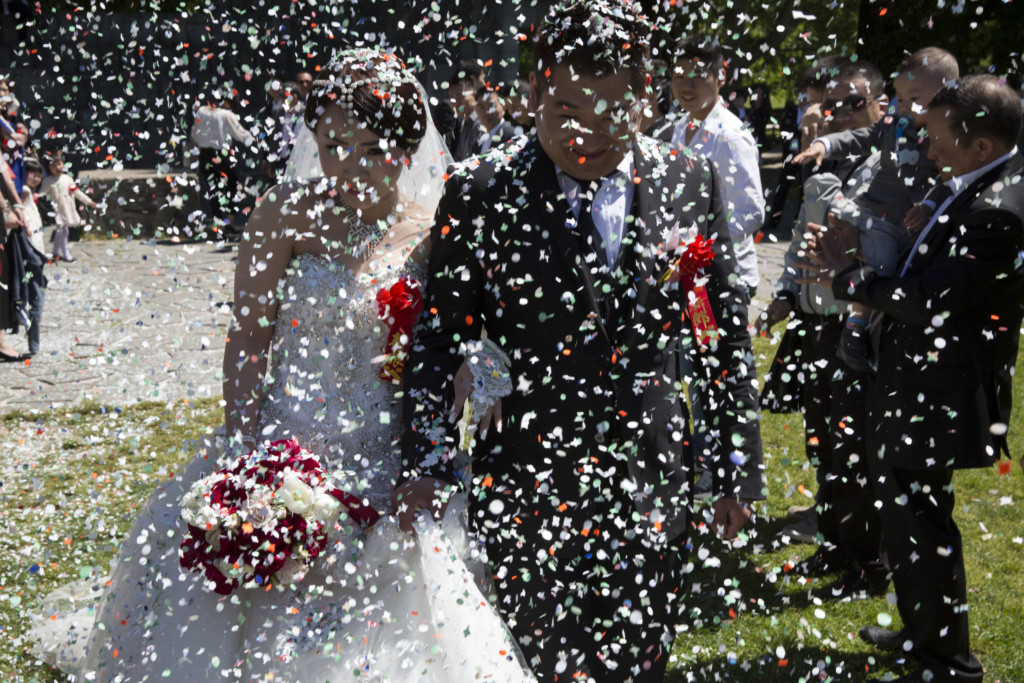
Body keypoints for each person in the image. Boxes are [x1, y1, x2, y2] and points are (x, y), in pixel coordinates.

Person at [29, 48, 531, 682]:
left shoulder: (434, 227)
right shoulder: (283, 211)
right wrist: (245, 445)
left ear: (406, 150)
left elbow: (461, 330)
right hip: (287, 440)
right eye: (332, 145)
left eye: (369, 148)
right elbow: (249, 337)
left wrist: (477, 366)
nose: (346, 164)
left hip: (387, 448)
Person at [394, 2, 765, 680]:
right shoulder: (481, 190)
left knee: (639, 663)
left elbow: (717, 334)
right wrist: (428, 459)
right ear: (535, 93)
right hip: (526, 482)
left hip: (652, 476)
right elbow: (440, 340)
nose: (585, 134)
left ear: (643, 99)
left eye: (610, 113)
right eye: (565, 110)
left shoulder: (688, 179)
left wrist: (734, 468)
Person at [803, 74, 1024, 683]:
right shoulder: (972, 184)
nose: (927, 148)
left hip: (940, 393)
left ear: (981, 145)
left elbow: (930, 301)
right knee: (907, 517)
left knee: (922, 522)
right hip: (914, 381)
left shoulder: (999, 211)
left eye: (938, 138)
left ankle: (947, 663)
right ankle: (922, 633)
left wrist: (849, 278)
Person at [758, 59, 892, 598]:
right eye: (831, 106)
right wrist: (784, 295)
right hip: (816, 327)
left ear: (882, 105)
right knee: (825, 443)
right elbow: (802, 238)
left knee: (857, 449)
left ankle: (869, 564)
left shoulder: (891, 166)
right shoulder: (823, 164)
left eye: (854, 104)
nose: (839, 115)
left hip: (859, 327)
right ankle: (835, 544)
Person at [794, 47, 959, 372]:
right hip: (874, 212)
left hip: (908, 224)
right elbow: (860, 137)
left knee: (884, 269)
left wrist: (928, 204)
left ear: (947, 93)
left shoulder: (948, 135)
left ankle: (861, 327)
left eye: (915, 98)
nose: (905, 106)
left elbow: (951, 179)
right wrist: (824, 144)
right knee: (867, 254)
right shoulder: (894, 125)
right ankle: (854, 326)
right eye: (901, 98)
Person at [189, 95, 254, 235]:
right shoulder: (226, 114)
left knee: (213, 191)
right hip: (222, 155)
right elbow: (239, 132)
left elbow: (194, 134)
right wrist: (253, 139)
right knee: (232, 186)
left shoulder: (201, 112)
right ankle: (229, 223)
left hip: (206, 155)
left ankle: (219, 226)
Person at [39, 150, 95, 263]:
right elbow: (41, 193)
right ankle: (66, 254)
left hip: (68, 209)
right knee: (63, 231)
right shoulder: (48, 181)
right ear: (48, 168)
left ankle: (55, 252)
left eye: (59, 164)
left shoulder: (67, 178)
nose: (57, 167)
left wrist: (89, 202)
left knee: (60, 232)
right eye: (53, 166)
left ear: (63, 164)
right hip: (57, 210)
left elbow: (77, 192)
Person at [17, 156, 44, 355]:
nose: (35, 177)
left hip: (36, 245)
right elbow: (22, 214)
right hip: (31, 245)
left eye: (38, 174)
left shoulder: (27, 190)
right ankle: (33, 342)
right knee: (36, 293)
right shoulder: (24, 191)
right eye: (30, 172)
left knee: (34, 289)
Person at [447, 60, 486, 161]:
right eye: (451, 98)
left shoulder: (483, 123)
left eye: (460, 96)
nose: (455, 102)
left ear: (474, 94)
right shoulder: (462, 122)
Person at [472, 85, 517, 154]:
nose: (487, 112)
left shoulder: (512, 135)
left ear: (503, 107)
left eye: (492, 106)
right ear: (476, 110)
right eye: (482, 107)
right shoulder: (477, 142)